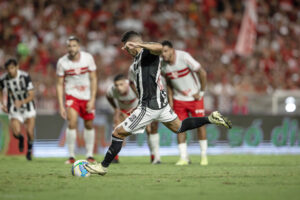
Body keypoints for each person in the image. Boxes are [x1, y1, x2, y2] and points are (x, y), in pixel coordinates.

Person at [84, 31, 232, 175]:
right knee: (179, 127)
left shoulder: (147, 54)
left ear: (133, 44)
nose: (125, 49)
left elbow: (159, 47)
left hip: (149, 107)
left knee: (118, 133)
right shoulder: (136, 62)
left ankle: (103, 166)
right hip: (161, 105)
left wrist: (139, 44)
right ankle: (210, 118)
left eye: (126, 46)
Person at [161, 40, 208, 166]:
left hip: (195, 98)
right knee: (180, 127)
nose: (163, 54)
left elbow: (202, 72)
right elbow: (169, 83)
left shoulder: (184, 57)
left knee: (200, 125)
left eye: (165, 51)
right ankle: (183, 158)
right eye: (161, 52)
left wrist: (201, 92)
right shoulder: (163, 65)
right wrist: (170, 100)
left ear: (172, 50)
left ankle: (203, 157)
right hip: (179, 99)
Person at [56, 36, 97, 164]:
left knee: (89, 124)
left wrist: (92, 99)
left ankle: (89, 155)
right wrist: (61, 105)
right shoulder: (62, 62)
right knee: (72, 122)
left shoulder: (88, 58)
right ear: (66, 48)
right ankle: (71, 156)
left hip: (86, 96)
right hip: (71, 95)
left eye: (74, 46)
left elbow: (94, 78)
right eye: (69, 46)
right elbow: (59, 84)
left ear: (78, 47)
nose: (71, 48)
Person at [106, 73, 161, 164]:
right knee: (116, 129)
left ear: (126, 83)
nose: (118, 87)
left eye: (121, 84)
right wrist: (116, 108)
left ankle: (154, 156)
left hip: (138, 110)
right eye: (116, 85)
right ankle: (115, 157)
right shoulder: (112, 90)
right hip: (123, 111)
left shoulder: (135, 87)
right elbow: (108, 97)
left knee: (149, 130)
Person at [0, 58, 36, 160]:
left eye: (12, 68)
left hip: (28, 107)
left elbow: (32, 95)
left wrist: (21, 102)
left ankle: (29, 150)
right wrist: (2, 103)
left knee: (30, 131)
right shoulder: (3, 79)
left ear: (17, 67)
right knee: (15, 132)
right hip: (14, 108)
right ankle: (20, 138)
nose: (10, 70)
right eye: (8, 69)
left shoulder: (25, 77)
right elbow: (0, 90)